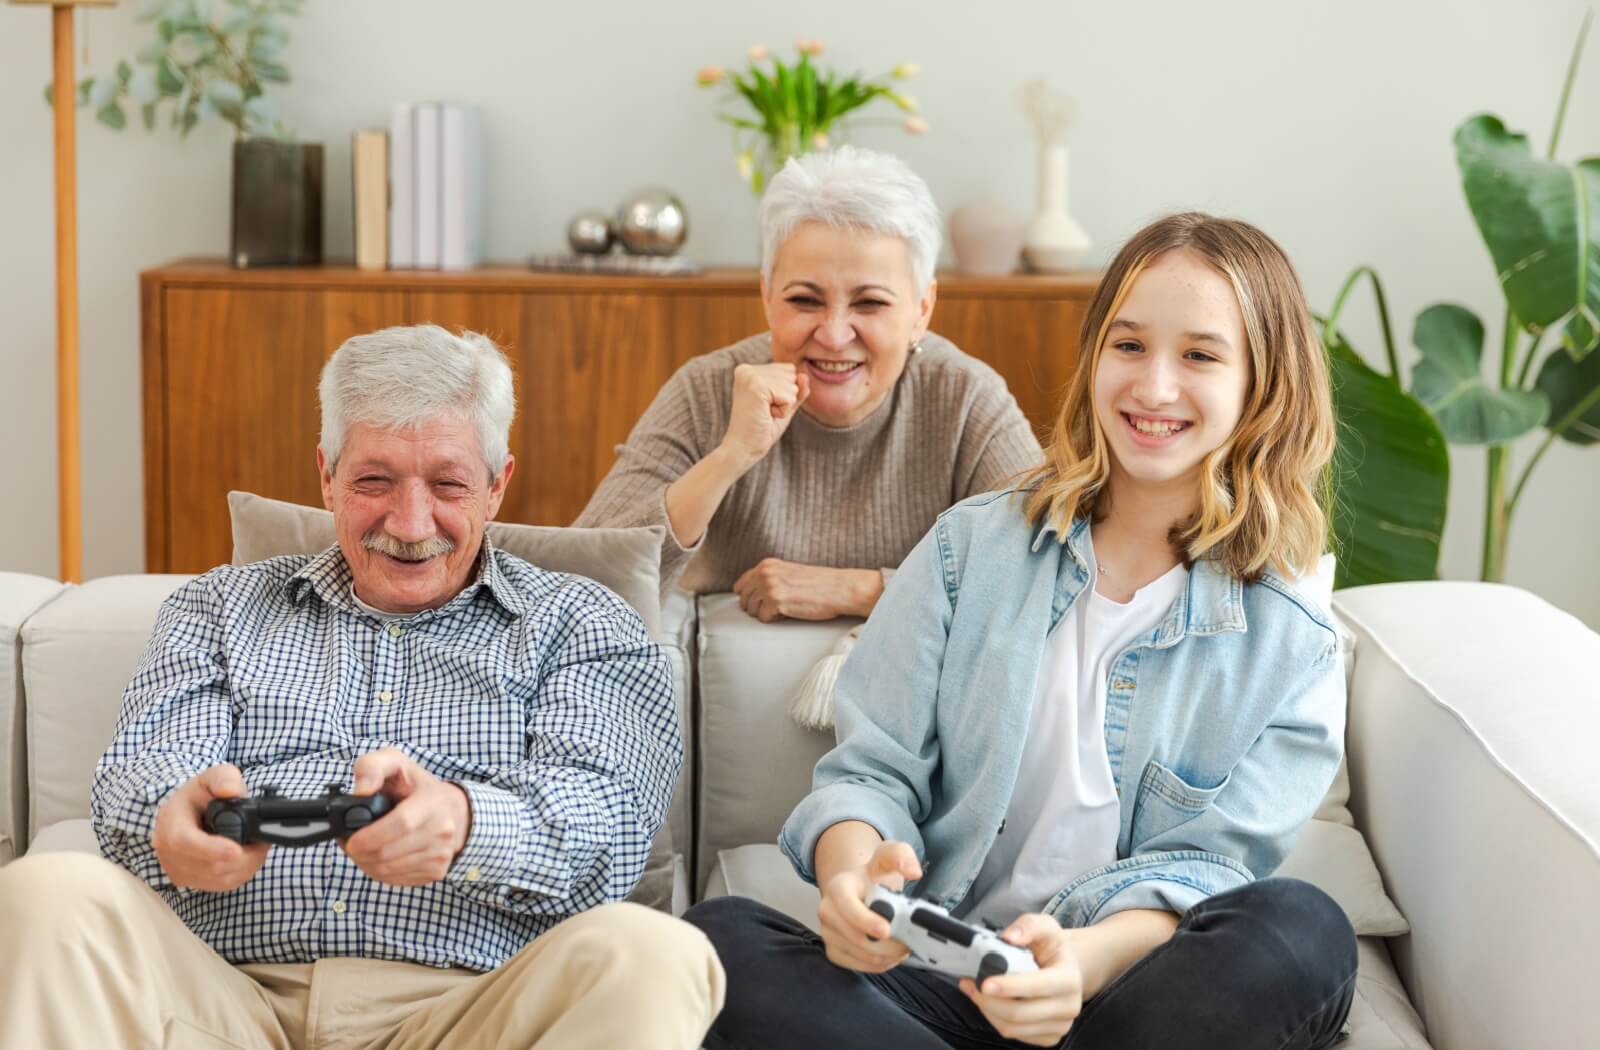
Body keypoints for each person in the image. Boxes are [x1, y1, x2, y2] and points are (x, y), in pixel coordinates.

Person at [686, 213, 1358, 1049]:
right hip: (935, 985)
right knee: (714, 945)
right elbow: (871, 773)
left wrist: (1079, 961)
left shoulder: (1292, 639)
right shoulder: (971, 549)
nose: (1152, 387)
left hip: (1124, 1001)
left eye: (1200, 355)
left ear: (1263, 385)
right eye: (1127, 346)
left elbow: (1211, 871)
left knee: (1302, 929)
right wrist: (853, 878)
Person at [0, 325, 724, 1050]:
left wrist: (467, 823)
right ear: (326, 477)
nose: (410, 526)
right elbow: (145, 769)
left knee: (657, 956)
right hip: (222, 1000)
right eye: (374, 482)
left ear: (498, 484)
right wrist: (168, 823)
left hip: (471, 1011)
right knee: (46, 893)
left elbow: (609, 830)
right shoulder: (217, 607)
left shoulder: (584, 623)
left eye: (447, 484)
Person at [576, 146, 1042, 621]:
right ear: (766, 295)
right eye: (804, 300)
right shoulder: (705, 390)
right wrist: (730, 457)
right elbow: (573, 583)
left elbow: (1047, 575)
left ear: (922, 309)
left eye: (870, 304)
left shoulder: (965, 396)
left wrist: (863, 590)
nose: (835, 335)